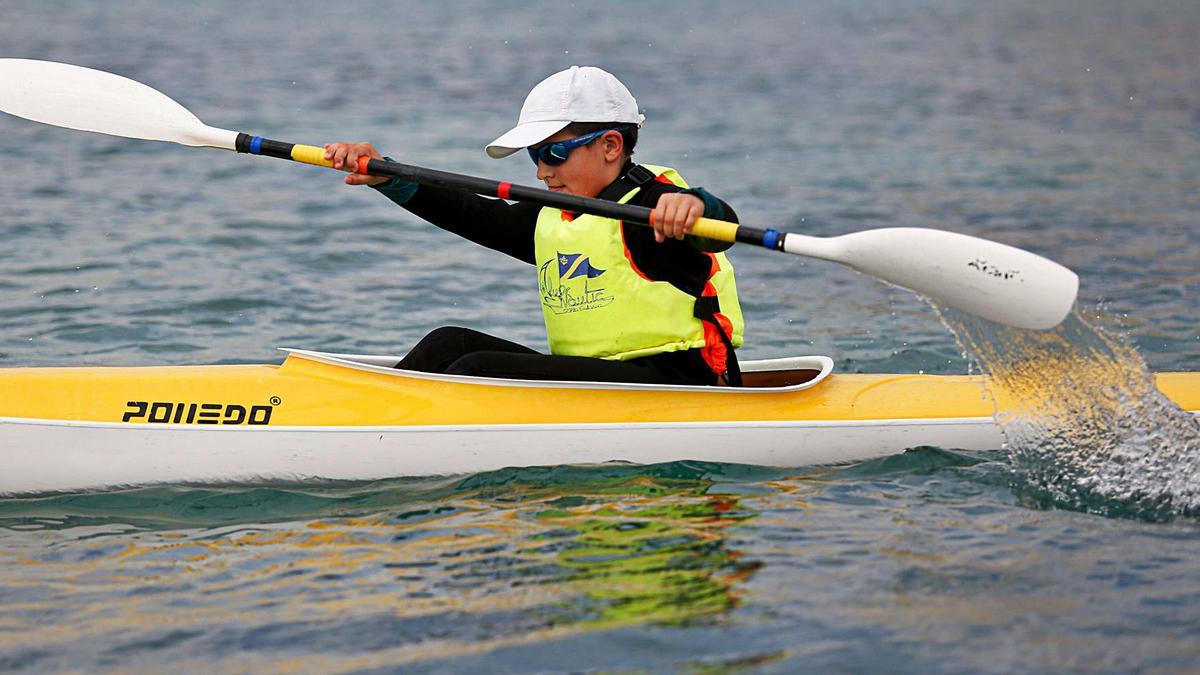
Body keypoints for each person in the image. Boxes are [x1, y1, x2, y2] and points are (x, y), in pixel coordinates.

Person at [324, 66, 745, 386]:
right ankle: (362, 424)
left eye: (554, 154)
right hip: (605, 381)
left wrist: (693, 206)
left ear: (611, 146)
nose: (543, 172)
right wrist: (389, 176)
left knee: (478, 368)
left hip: (686, 381)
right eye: (534, 157)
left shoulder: (654, 206)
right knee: (450, 343)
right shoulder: (556, 214)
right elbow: (475, 215)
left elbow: (719, 227)